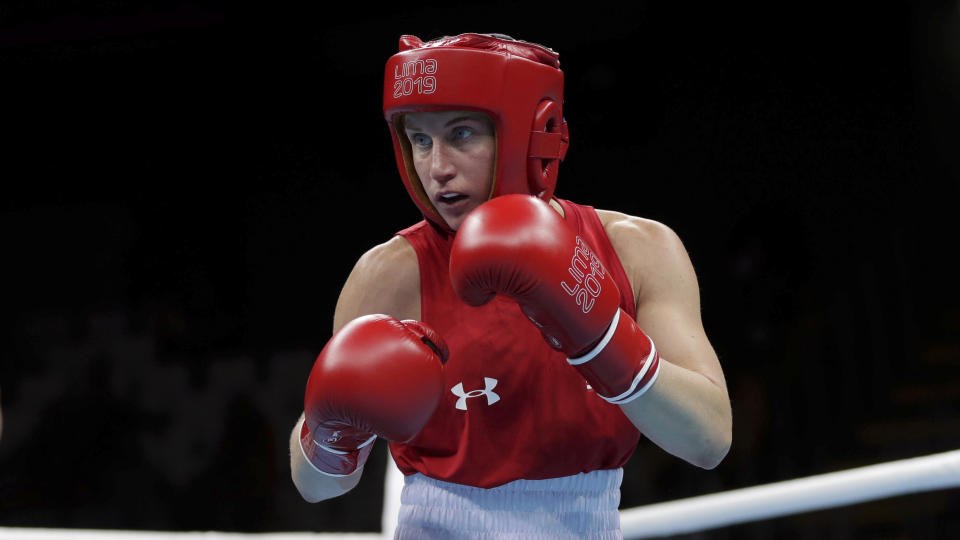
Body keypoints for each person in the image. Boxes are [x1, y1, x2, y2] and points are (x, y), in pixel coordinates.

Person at [289, 33, 732, 539]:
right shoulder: (387, 277)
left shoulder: (635, 251)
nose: (437, 168)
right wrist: (330, 435)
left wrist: (602, 337)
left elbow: (709, 439)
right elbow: (316, 488)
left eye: (461, 134)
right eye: (419, 140)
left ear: (530, 133)